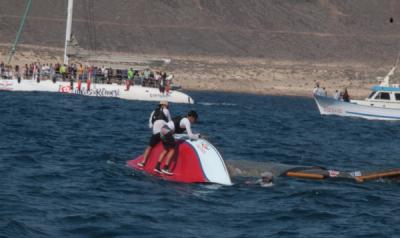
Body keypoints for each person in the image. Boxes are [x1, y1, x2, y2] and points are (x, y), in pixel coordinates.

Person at [156, 110, 200, 175]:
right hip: (167, 131)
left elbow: (184, 132)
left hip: (162, 129)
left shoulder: (183, 119)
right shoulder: (187, 121)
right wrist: (198, 136)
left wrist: (194, 135)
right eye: (195, 120)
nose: (194, 121)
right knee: (173, 149)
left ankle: (157, 167)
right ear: (192, 117)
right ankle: (165, 168)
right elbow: (190, 135)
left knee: (166, 149)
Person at [137, 101, 172, 168]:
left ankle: (143, 162)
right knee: (168, 147)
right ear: (164, 105)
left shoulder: (153, 112)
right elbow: (170, 123)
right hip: (163, 130)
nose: (167, 107)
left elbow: (150, 125)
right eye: (167, 106)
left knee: (149, 146)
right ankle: (160, 165)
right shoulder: (166, 111)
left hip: (155, 131)